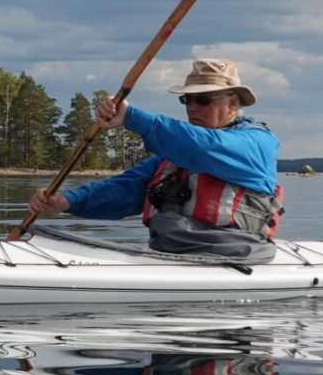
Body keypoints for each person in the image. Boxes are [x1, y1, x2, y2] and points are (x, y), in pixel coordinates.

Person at [26, 58, 281, 261]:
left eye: (202, 100)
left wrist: (131, 117)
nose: (192, 107)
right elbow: (125, 189)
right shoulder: (176, 153)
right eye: (187, 99)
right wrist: (67, 201)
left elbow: (206, 148)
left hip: (236, 254)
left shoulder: (256, 143)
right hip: (172, 254)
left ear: (233, 103)